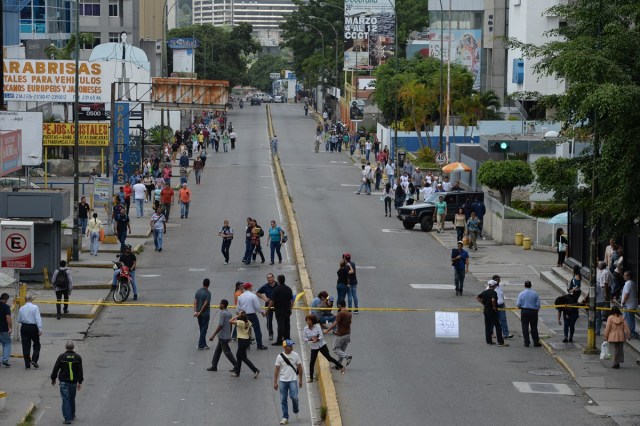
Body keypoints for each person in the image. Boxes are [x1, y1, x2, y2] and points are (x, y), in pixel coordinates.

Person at [50, 341, 83, 424]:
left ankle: (67, 419)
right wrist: (80, 381)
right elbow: (80, 371)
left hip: (64, 382)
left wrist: (53, 378)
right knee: (72, 398)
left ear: (65, 347)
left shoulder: (62, 357)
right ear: (73, 347)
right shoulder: (78, 357)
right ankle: (72, 415)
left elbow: (56, 368)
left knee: (65, 400)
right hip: (73, 382)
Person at [304, 315, 344, 383]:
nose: (308, 322)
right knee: (312, 362)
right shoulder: (305, 329)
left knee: (329, 358)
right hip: (313, 347)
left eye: (309, 320)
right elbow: (304, 339)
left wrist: (317, 339)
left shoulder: (317, 327)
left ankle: (341, 367)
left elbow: (321, 336)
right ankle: (311, 378)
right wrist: (311, 339)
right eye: (307, 320)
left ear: (312, 321)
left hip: (321, 345)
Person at [274, 340, 303, 425]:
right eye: (289, 346)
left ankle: (296, 410)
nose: (291, 347)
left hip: (293, 380)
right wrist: (275, 382)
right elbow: (276, 369)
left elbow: (300, 368)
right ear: (285, 347)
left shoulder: (296, 355)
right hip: (283, 381)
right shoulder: (279, 357)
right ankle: (285, 417)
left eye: (291, 345)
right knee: (283, 400)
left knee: (294, 397)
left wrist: (300, 380)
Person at [207, 299, 238, 372]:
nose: (219, 305)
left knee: (227, 352)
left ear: (223, 305)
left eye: (220, 304)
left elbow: (220, 325)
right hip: (225, 336)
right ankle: (214, 366)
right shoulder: (229, 313)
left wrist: (213, 335)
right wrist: (229, 335)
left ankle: (236, 365)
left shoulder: (223, 313)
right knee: (217, 352)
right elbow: (230, 325)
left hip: (222, 337)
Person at [237, 282, 268, 350]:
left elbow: (238, 309)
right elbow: (257, 307)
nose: (252, 287)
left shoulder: (240, 297)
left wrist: (239, 316)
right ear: (249, 288)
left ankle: (247, 345)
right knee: (257, 330)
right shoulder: (253, 296)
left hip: (243, 315)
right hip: (252, 315)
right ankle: (259, 345)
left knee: (246, 330)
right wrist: (262, 312)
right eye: (251, 286)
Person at [476, 281, 507, 346]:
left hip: (486, 310)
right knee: (497, 326)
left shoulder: (485, 292)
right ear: (494, 286)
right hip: (492, 311)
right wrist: (494, 307)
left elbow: (478, 297)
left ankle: (489, 341)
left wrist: (483, 303)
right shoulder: (494, 292)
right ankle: (500, 341)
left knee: (487, 326)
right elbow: (493, 300)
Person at [230, 311, 260, 378]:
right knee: (238, 355)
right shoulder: (248, 322)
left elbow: (230, 321)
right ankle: (237, 373)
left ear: (240, 316)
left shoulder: (240, 322)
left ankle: (255, 370)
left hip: (241, 341)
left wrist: (237, 316)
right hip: (246, 340)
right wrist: (240, 315)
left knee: (244, 358)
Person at [324, 299, 353, 367]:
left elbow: (335, 323)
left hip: (341, 335)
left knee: (335, 349)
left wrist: (327, 330)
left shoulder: (341, 313)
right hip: (347, 334)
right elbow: (350, 324)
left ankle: (347, 356)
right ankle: (338, 365)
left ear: (339, 305)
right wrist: (349, 336)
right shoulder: (349, 313)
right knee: (341, 351)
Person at [18, 293, 42, 368]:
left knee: (25, 345)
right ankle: (34, 360)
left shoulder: (21, 308)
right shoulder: (35, 307)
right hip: (33, 327)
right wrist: (40, 329)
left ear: (25, 300)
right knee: (36, 344)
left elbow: (19, 319)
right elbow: (38, 319)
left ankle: (27, 364)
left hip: (24, 327)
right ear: (31, 299)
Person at [269, 275, 294, 345]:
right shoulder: (288, 289)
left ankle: (279, 340)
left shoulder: (276, 289)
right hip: (287, 310)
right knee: (287, 325)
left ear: (278, 280)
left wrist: (268, 309)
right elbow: (292, 300)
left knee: (280, 325)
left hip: (279, 310)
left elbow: (272, 301)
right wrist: (290, 309)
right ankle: (287, 339)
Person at [516, 281, 541, 347]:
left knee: (525, 327)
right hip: (533, 311)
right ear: (531, 285)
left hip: (524, 311)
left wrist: (521, 307)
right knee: (534, 327)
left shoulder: (521, 293)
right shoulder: (535, 293)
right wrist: (536, 311)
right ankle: (536, 342)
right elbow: (538, 304)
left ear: (524, 285)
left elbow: (518, 304)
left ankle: (526, 342)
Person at [257, 273, 279, 341]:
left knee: (279, 320)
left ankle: (280, 334)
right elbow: (257, 292)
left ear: (273, 277)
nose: (269, 279)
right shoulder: (265, 286)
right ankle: (270, 334)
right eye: (268, 278)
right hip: (268, 305)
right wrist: (264, 298)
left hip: (277, 305)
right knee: (269, 320)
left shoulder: (278, 285)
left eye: (270, 277)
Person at [194, 278, 212, 350]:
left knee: (202, 329)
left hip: (198, 313)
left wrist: (196, 312)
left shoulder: (198, 291)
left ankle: (204, 344)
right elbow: (205, 304)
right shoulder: (208, 293)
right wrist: (200, 312)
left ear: (203, 283)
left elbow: (195, 302)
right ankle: (201, 345)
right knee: (204, 329)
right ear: (208, 284)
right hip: (205, 314)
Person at [596, 261, 612, 335]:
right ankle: (605, 314)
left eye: (599, 265)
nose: (598, 266)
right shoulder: (603, 271)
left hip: (605, 288)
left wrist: (605, 293)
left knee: (606, 301)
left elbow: (605, 283)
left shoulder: (605, 272)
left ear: (601, 266)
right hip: (603, 287)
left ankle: (605, 315)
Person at [621, 271, 638, 338]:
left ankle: (630, 333)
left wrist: (623, 302)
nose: (623, 276)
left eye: (625, 275)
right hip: (632, 305)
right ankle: (631, 332)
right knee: (631, 319)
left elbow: (627, 294)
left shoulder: (628, 284)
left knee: (628, 319)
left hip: (628, 305)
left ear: (629, 276)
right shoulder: (633, 283)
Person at [0, 293, 11, 367]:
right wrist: (10, 327)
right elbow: (8, 317)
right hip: (3, 329)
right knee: (7, 343)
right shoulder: (6, 307)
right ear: (6, 299)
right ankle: (5, 360)